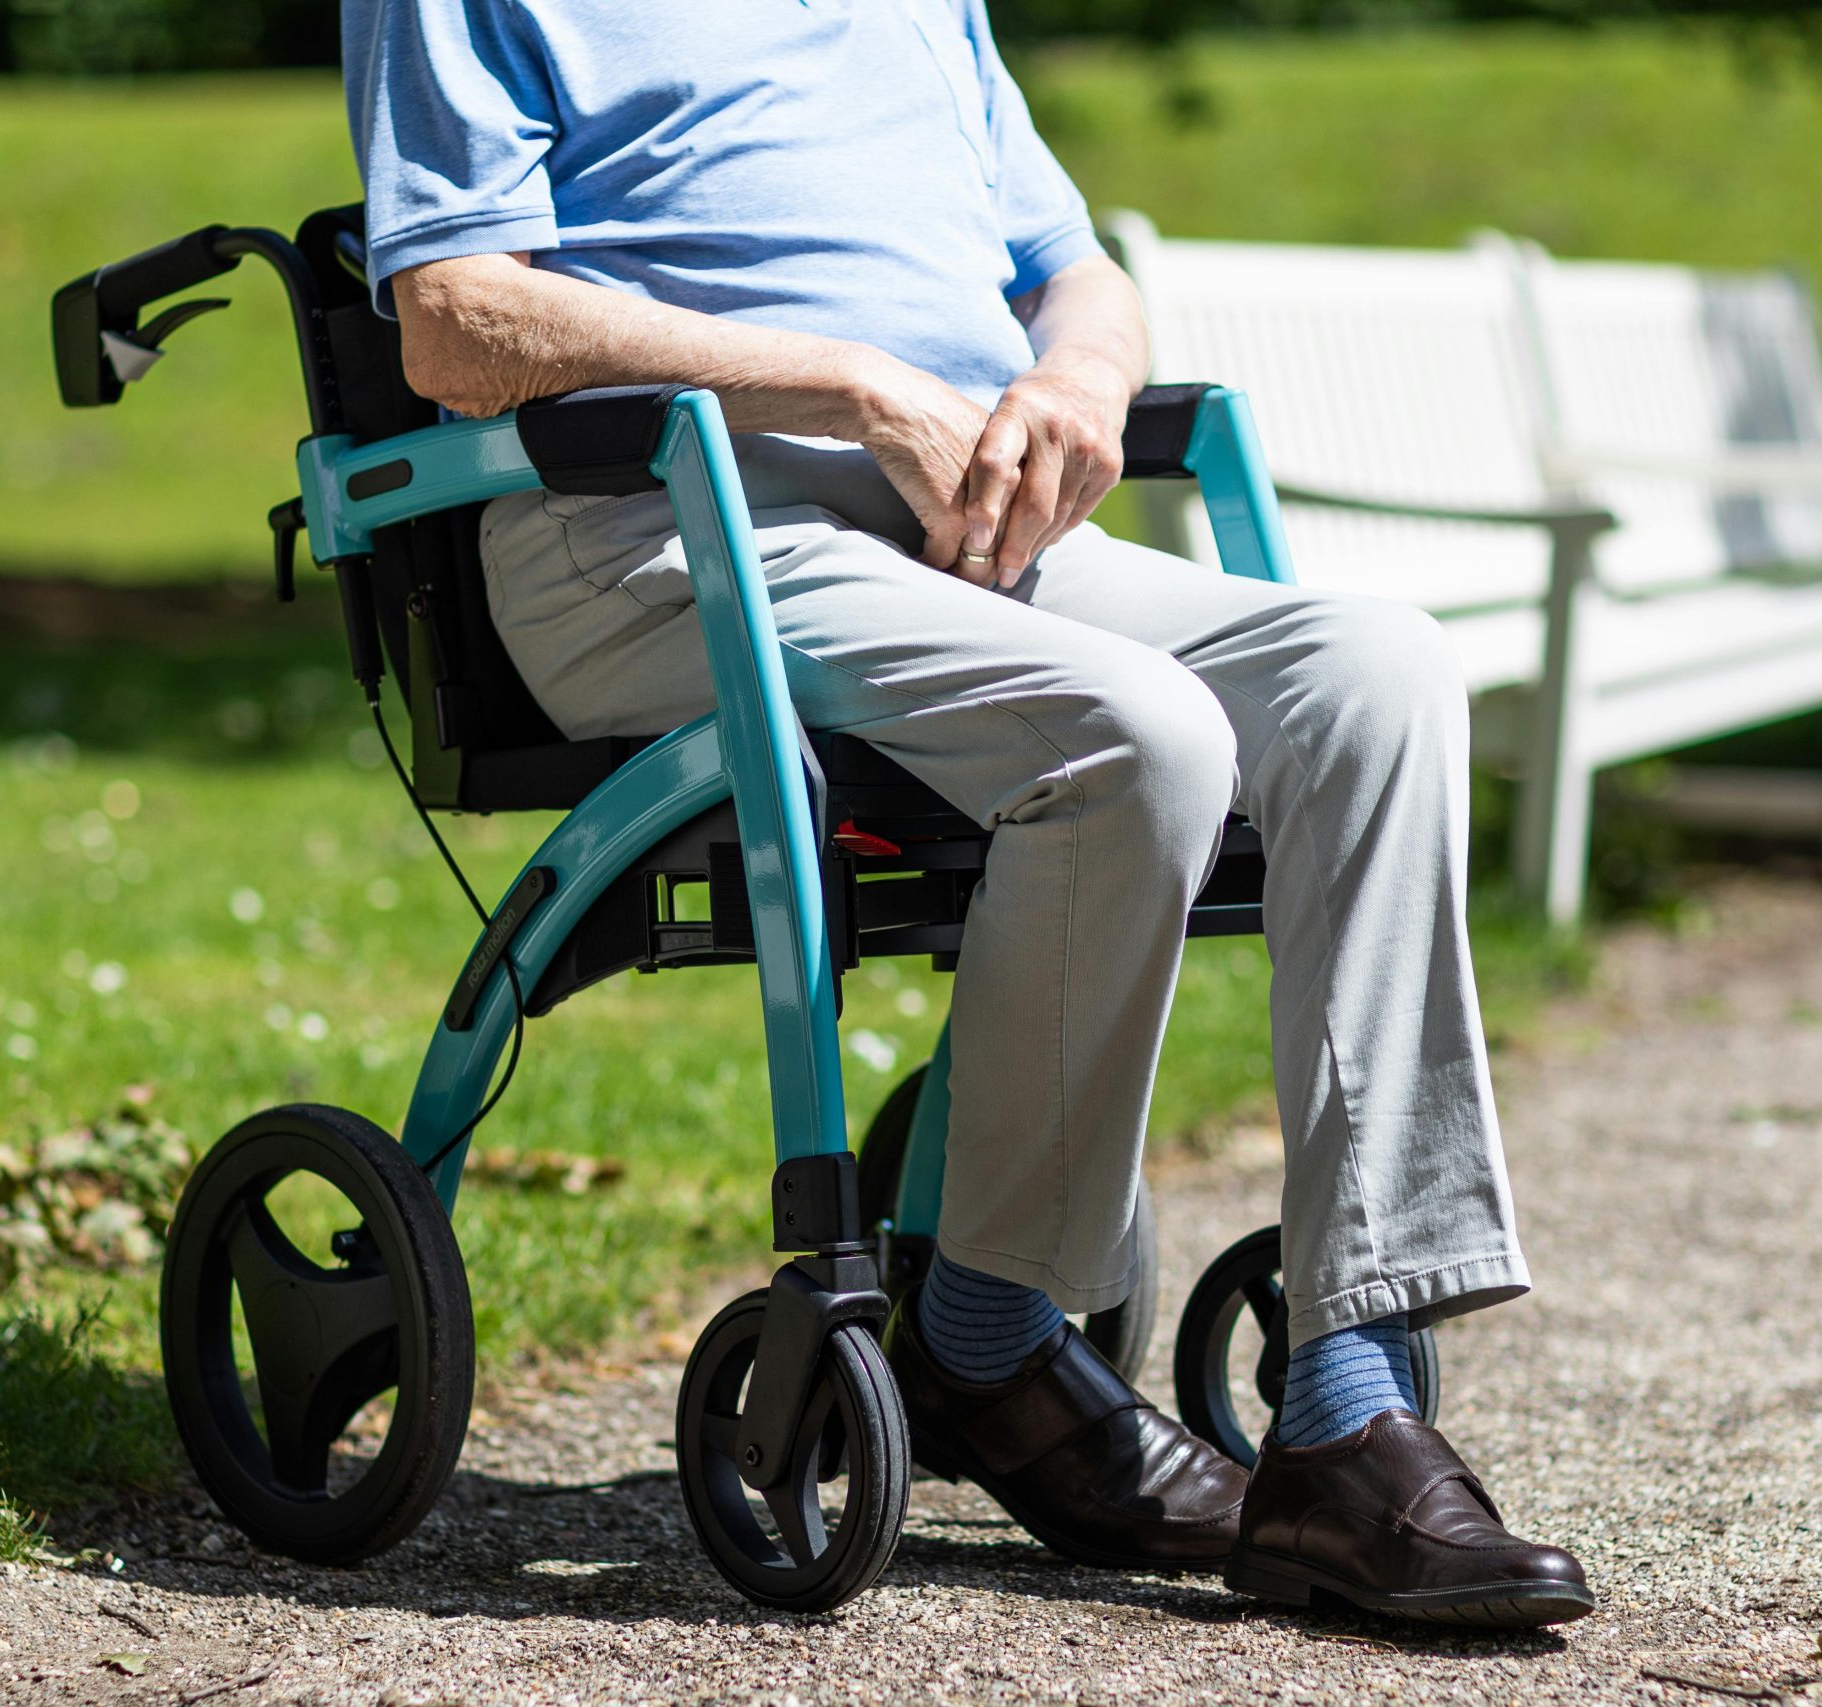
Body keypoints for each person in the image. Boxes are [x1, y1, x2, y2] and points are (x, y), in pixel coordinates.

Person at [344, 0, 1591, 1628]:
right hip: (655, 535)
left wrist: (1075, 377)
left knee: (1378, 674)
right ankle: (985, 1343)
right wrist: (852, 384)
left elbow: (1073, 266)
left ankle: (1349, 1409)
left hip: (973, 536)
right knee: (1136, 736)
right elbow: (454, 322)